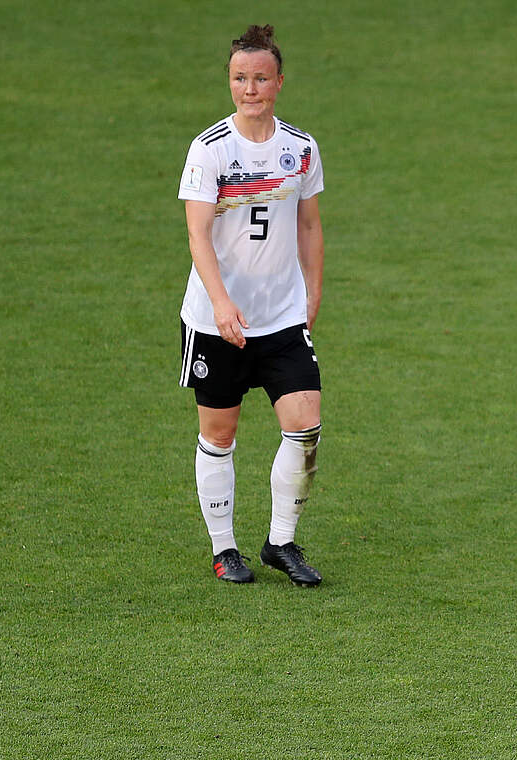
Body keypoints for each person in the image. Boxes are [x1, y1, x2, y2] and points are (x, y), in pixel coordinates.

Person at [176, 24, 326, 587]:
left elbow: (309, 224)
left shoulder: (300, 149)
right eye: (240, 78)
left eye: (261, 78)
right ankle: (224, 549)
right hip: (218, 320)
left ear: (279, 83)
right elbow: (197, 236)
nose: (250, 88)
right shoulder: (210, 149)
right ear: (231, 82)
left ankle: (281, 542)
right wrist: (220, 304)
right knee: (219, 434)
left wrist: (314, 290)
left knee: (305, 424)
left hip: (282, 316)